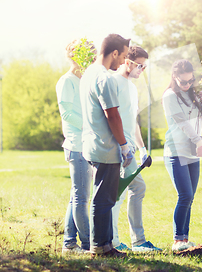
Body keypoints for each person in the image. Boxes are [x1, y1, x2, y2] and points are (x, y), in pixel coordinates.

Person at [80, 33, 133, 258]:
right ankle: (100, 247)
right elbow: (112, 115)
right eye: (123, 56)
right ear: (114, 53)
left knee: (105, 198)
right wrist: (123, 145)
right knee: (104, 199)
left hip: (92, 144)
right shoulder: (104, 78)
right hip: (105, 147)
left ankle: (106, 245)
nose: (123, 61)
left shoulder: (88, 73)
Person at [111, 45, 161, 252]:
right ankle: (118, 241)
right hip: (117, 147)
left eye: (145, 66)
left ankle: (133, 241)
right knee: (117, 193)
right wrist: (122, 146)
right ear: (127, 61)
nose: (142, 70)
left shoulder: (131, 87)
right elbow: (110, 117)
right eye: (140, 65)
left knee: (133, 189)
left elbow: (133, 121)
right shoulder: (113, 82)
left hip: (130, 148)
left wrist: (142, 148)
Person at [162, 59, 202, 252]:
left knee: (190, 197)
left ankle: (185, 240)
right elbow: (182, 122)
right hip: (176, 151)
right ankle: (177, 240)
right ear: (174, 77)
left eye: (190, 81)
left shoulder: (193, 95)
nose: (187, 84)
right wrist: (199, 142)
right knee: (185, 195)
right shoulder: (170, 96)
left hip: (192, 151)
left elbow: (200, 121)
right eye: (183, 82)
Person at [56, 40, 95, 254]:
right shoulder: (66, 81)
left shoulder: (84, 81)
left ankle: (69, 244)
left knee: (76, 195)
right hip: (77, 145)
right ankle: (89, 244)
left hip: (86, 144)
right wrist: (91, 125)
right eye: (88, 56)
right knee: (81, 198)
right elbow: (67, 114)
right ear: (76, 57)